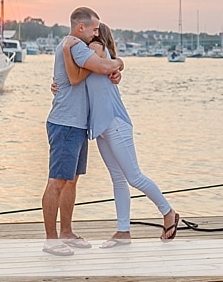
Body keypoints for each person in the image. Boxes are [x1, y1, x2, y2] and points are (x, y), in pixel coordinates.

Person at [62, 22, 179, 248]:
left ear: (100, 37)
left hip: (114, 122)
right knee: (118, 179)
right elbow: (76, 80)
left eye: (95, 32)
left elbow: (83, 72)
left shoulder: (95, 49)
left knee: (134, 176)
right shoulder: (100, 58)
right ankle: (123, 232)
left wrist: (115, 64)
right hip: (102, 126)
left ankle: (168, 212)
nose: (91, 35)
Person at [42, 7, 124, 256]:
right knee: (57, 181)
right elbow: (100, 67)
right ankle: (51, 239)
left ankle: (66, 231)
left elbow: (87, 76)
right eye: (94, 29)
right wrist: (119, 62)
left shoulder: (74, 46)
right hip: (66, 123)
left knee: (71, 181)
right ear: (81, 27)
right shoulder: (75, 45)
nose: (97, 33)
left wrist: (115, 70)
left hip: (76, 124)